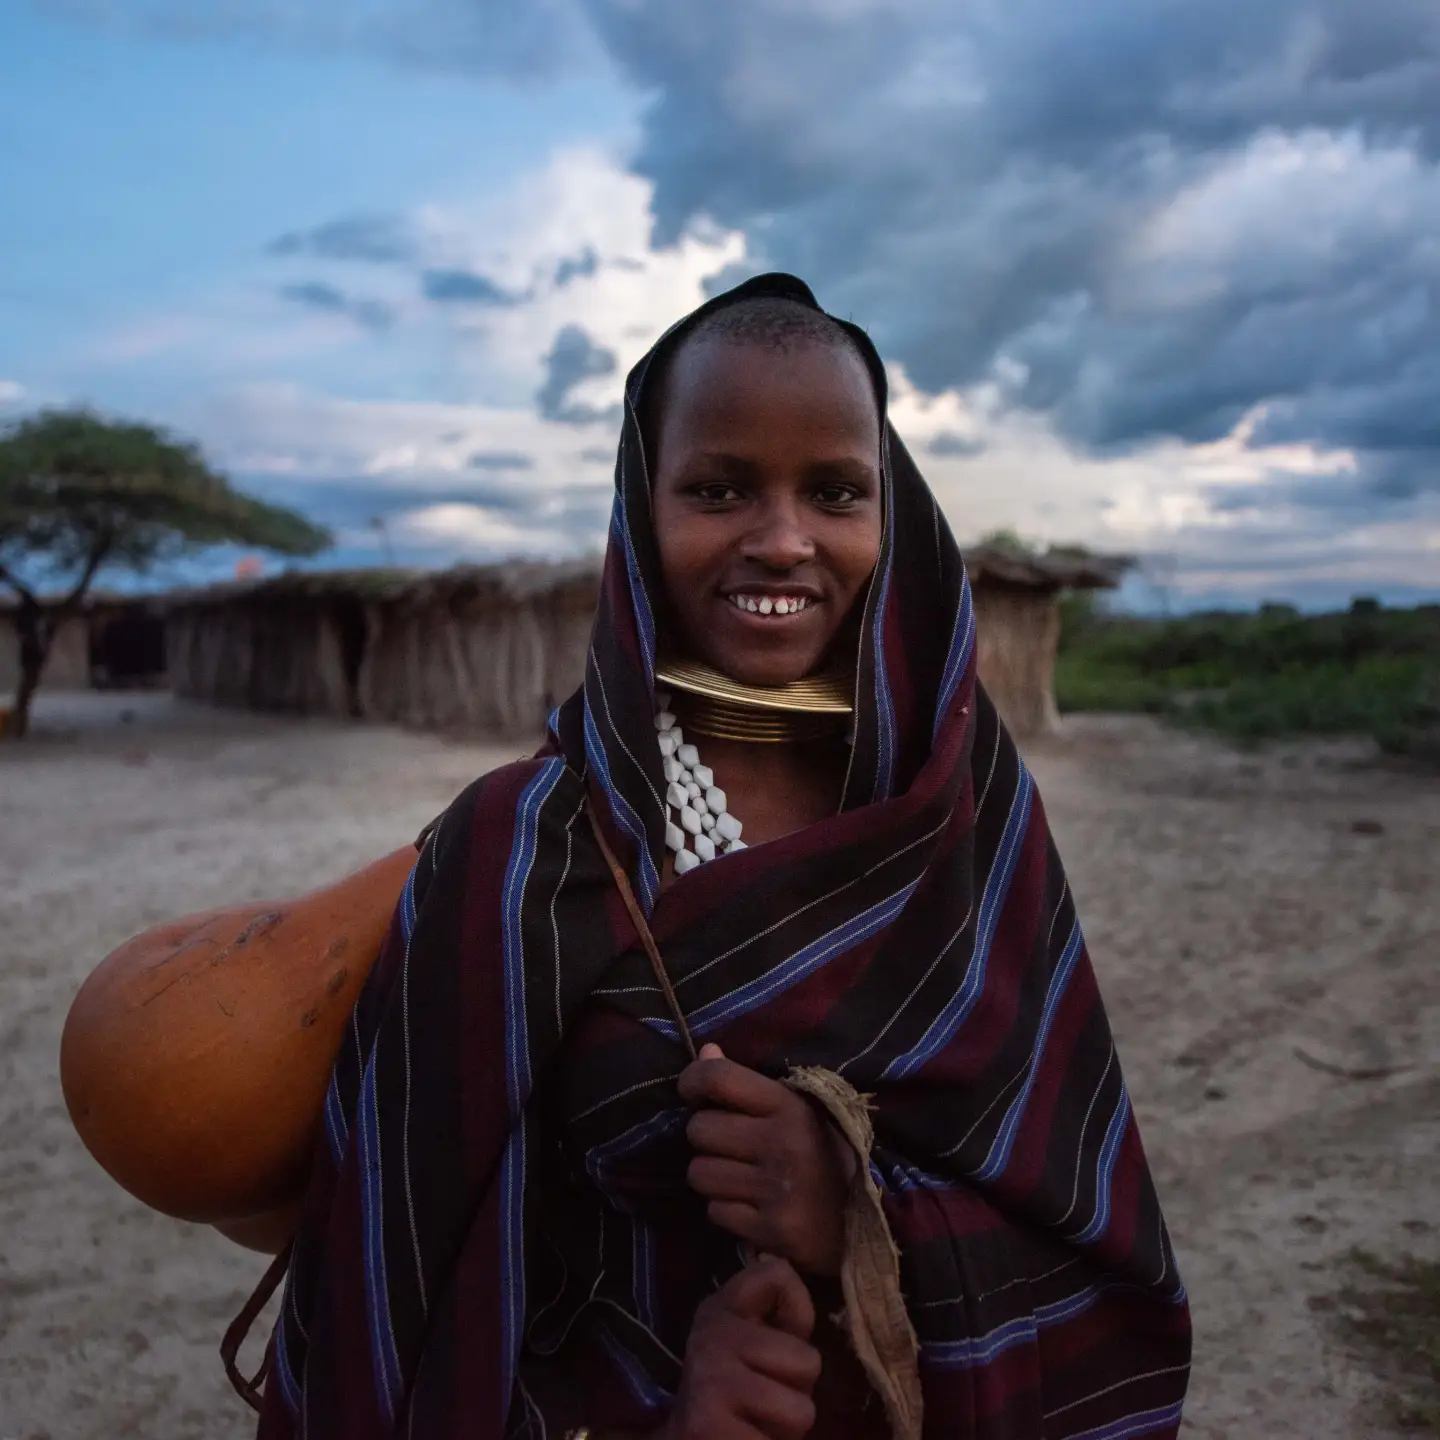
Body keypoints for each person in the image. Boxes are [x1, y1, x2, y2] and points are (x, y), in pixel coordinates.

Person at [252, 274, 1191, 1439]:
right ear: (640, 509)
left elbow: (1097, 1240)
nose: (783, 540)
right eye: (717, 489)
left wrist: (855, 1219)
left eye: (836, 491)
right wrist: (667, 1412)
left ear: (892, 510)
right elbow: (405, 1304)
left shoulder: (970, 821)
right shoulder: (520, 853)